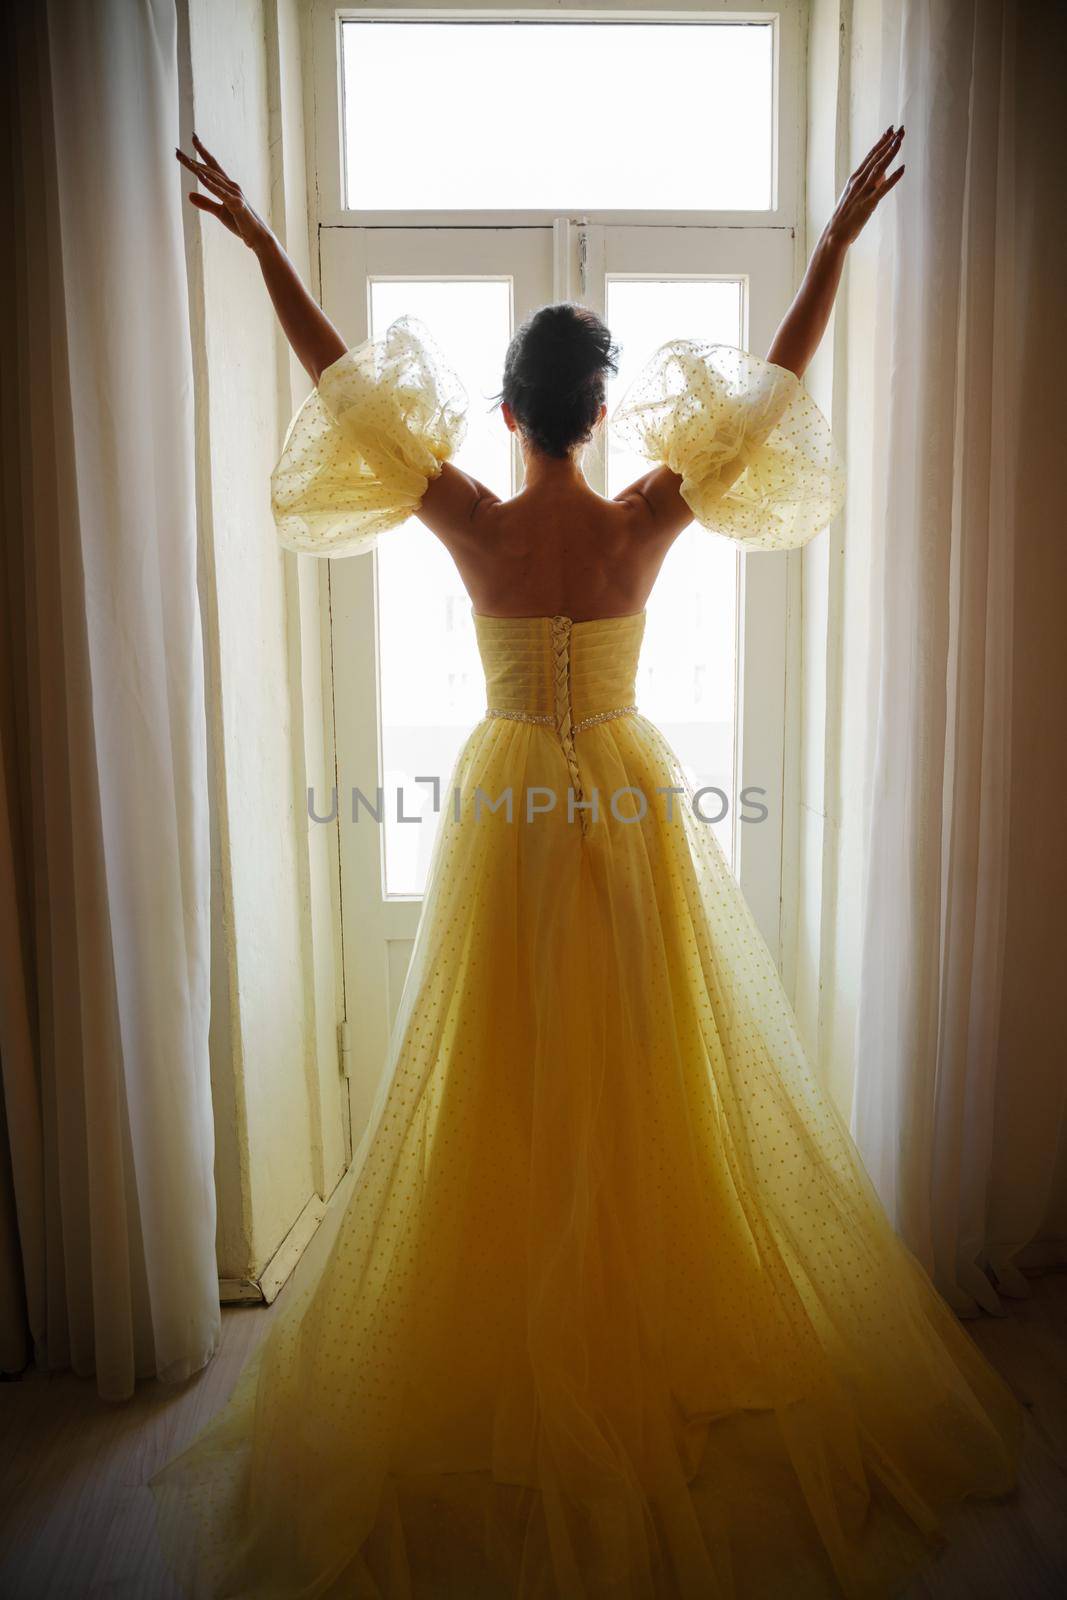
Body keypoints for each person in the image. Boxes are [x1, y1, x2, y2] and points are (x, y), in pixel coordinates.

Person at [150, 128, 1021, 1599]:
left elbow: (344, 393)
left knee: (506, 1074)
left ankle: (532, 1337)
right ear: (603, 413)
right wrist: (828, 253)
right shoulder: (643, 517)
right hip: (624, 814)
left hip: (507, 823)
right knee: (646, 1070)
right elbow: (771, 400)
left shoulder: (473, 519)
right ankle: (630, 1326)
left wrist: (261, 249)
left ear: (505, 411)